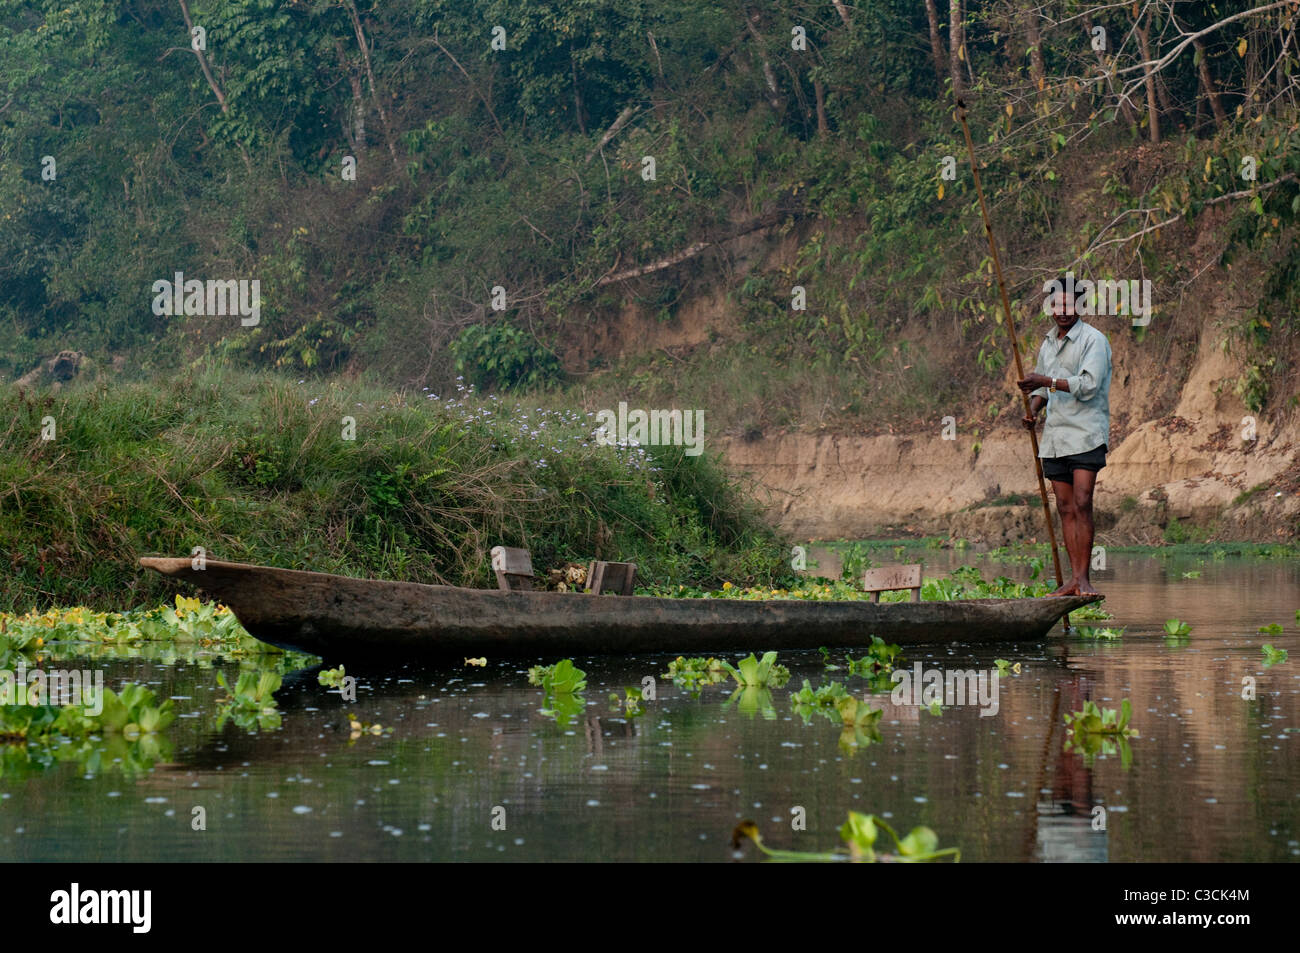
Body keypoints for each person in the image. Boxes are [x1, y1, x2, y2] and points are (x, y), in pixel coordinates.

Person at [1017, 280, 1113, 596]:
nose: (1062, 312)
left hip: (1086, 434)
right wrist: (1032, 411)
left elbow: (1087, 386)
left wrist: (1044, 380)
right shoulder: (1048, 344)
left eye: (1069, 306)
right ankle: (1072, 581)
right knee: (1065, 506)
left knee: (1083, 502)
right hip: (1056, 438)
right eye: (1057, 306)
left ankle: (1083, 580)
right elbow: (1044, 391)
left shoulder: (1093, 341)